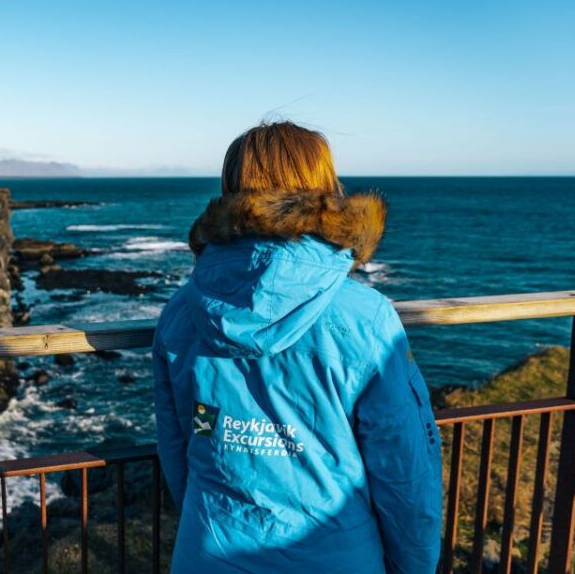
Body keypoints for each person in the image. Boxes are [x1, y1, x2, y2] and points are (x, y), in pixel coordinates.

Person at [153, 121, 442, 573]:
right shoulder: (366, 318)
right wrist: (415, 567)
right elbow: (404, 471)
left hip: (208, 550)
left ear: (230, 191)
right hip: (334, 556)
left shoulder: (181, 312)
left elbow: (177, 447)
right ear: (326, 187)